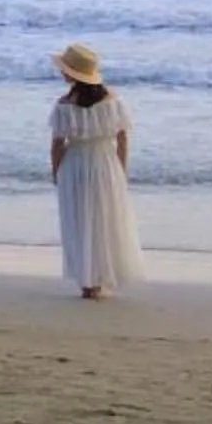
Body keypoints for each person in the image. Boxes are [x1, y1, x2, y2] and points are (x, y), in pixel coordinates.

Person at [48, 42, 144, 299]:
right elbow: (123, 138)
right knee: (104, 219)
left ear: (72, 74)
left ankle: (87, 281)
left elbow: (57, 145)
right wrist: (120, 169)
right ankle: (101, 276)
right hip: (105, 162)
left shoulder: (64, 105)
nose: (61, 73)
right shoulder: (113, 101)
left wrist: (56, 172)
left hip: (76, 163)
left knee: (80, 220)